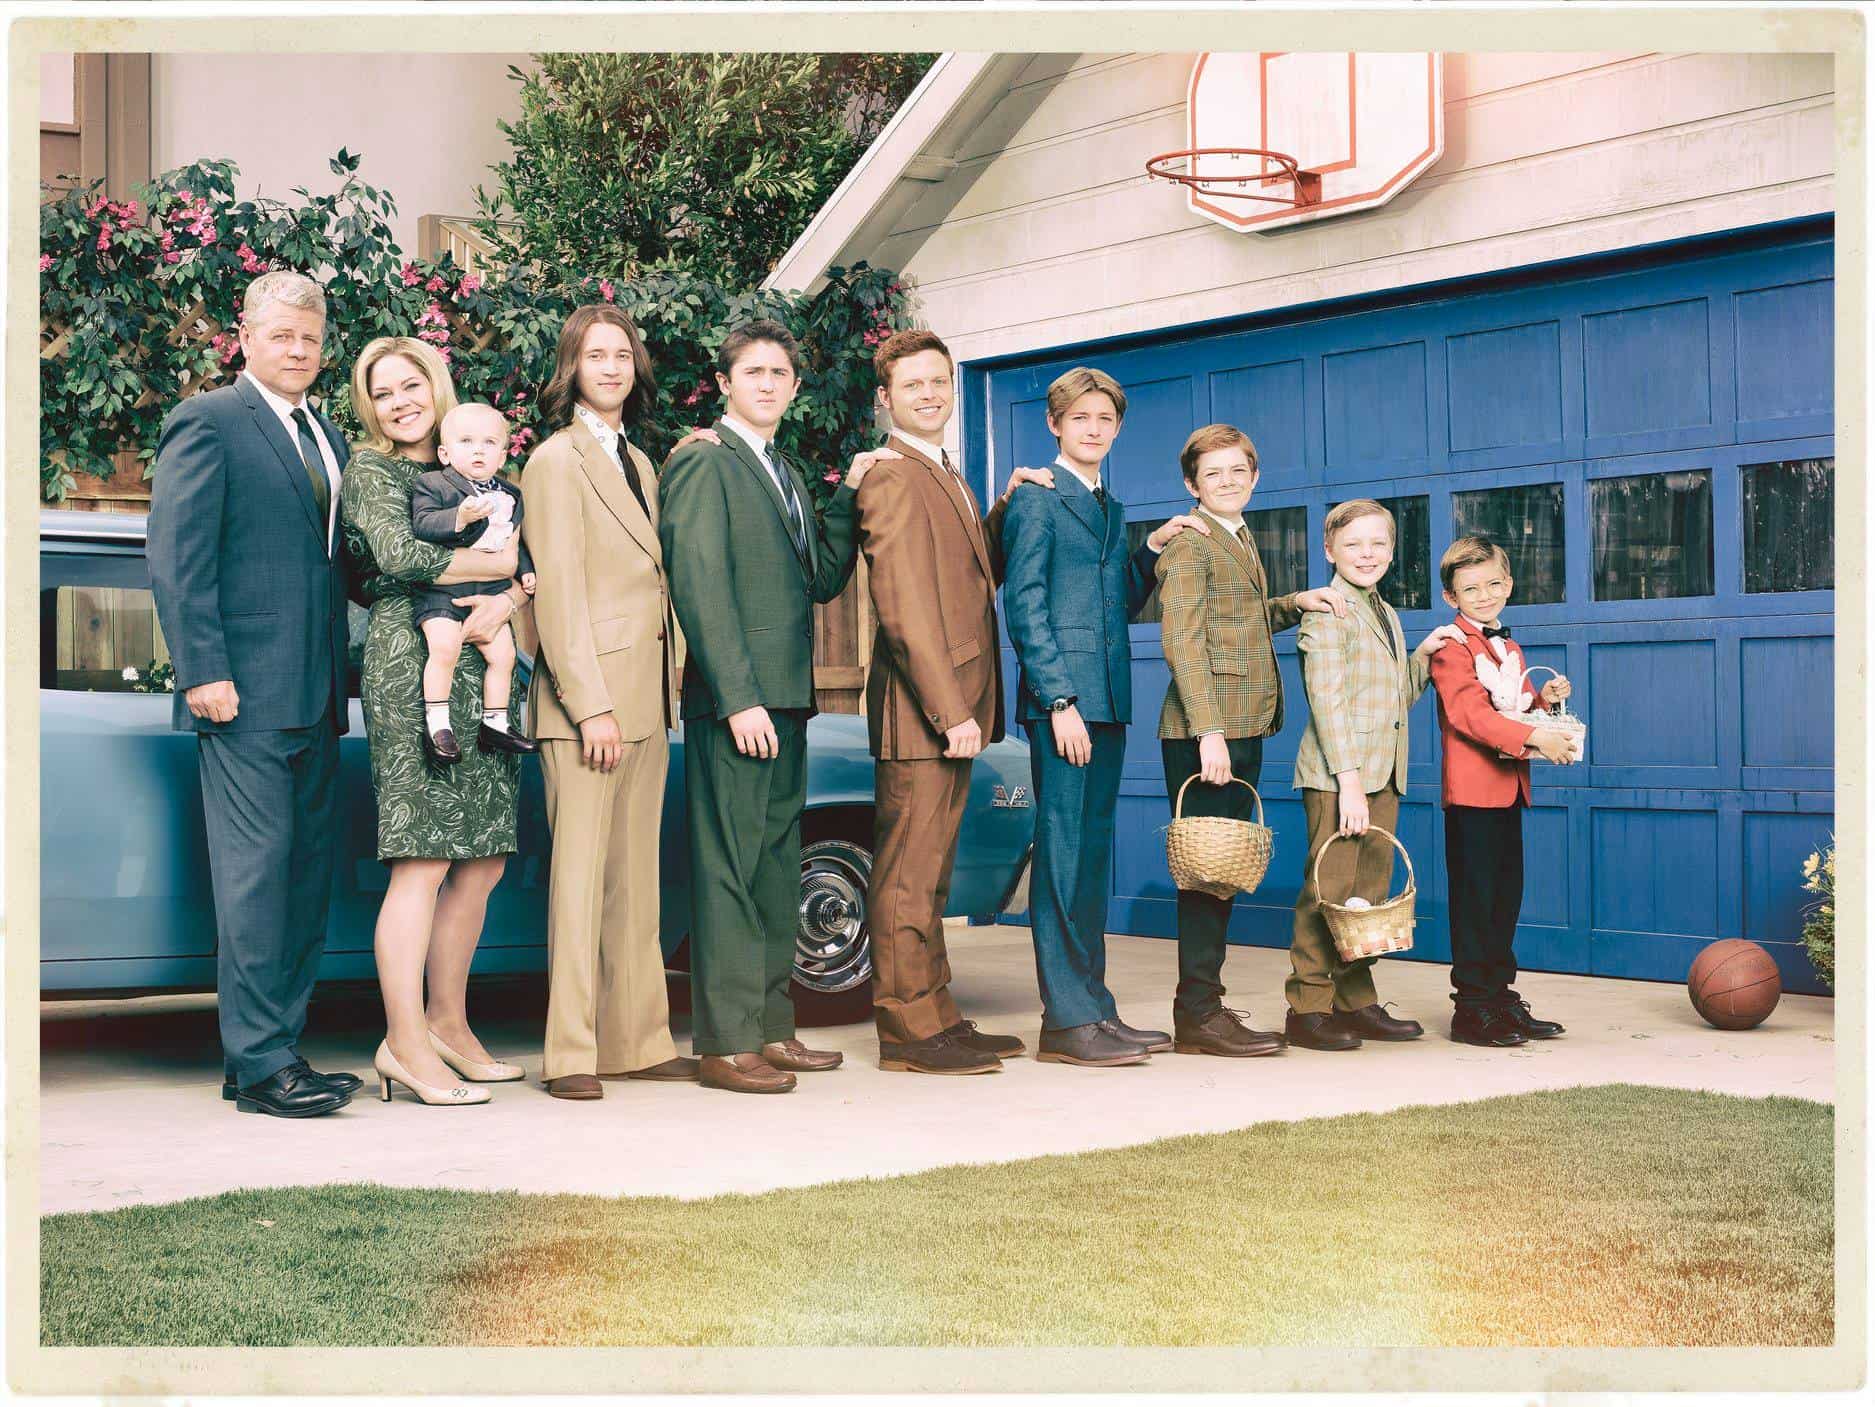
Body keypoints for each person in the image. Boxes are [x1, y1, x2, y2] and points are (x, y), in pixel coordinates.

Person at [147, 269, 361, 1118]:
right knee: (256, 882)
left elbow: (335, 565)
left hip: (316, 696)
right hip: (240, 697)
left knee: (305, 880)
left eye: (309, 338)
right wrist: (203, 669)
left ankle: (269, 1055)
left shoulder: (330, 438)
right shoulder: (208, 421)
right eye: (281, 335)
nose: (297, 350)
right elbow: (177, 556)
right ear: (245, 337)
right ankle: (263, 1063)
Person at [659, 318, 883, 1094]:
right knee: (727, 867)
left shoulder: (782, 469)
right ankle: (724, 1043)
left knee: (775, 869)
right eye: (750, 371)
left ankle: (771, 1028)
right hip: (737, 705)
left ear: (793, 386)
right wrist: (737, 697)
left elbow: (822, 577)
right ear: (724, 383)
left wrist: (850, 492)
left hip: (788, 701)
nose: (765, 383)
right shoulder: (703, 463)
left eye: (778, 373)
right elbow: (699, 584)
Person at [852, 329, 1054, 1075]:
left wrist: (999, 508)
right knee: (907, 876)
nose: (930, 394)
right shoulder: (892, 476)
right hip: (921, 716)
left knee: (931, 873)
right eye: (913, 385)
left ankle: (935, 1013)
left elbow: (971, 571)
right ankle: (906, 1030)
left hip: (946, 709)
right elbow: (903, 607)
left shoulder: (947, 471)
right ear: (886, 399)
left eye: (939, 381)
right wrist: (951, 711)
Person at [340, 336, 532, 1107]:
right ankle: (404, 1039)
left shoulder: (471, 462)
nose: (399, 401)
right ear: (370, 406)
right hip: (409, 658)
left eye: (409, 384)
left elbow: (525, 563)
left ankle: (450, 1023)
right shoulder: (374, 470)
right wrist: (498, 567)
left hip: (485, 648)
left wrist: (510, 594)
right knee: (421, 857)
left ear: (436, 385)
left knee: (482, 857)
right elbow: (394, 559)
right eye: (381, 391)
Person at [999, 367, 1207, 1067]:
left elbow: (1111, 598)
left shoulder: (1108, 505)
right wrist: (1057, 700)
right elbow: (1024, 604)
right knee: (1060, 861)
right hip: (1065, 707)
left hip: (1108, 700)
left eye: (1104, 419)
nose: (1093, 428)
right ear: (1055, 424)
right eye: (1079, 417)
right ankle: (1064, 1021)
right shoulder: (1036, 499)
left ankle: (1093, 1007)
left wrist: (1146, 552)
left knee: (1089, 861)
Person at [521, 304, 693, 1101]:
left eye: (623, 355)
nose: (613, 367)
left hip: (647, 697)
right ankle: (571, 1053)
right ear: (572, 367)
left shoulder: (642, 462)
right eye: (596, 355)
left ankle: (639, 1039)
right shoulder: (555, 461)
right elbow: (555, 592)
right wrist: (589, 706)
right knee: (580, 883)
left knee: (637, 882)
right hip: (588, 704)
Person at [1154, 424, 1347, 1057]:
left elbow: (1238, 621)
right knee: (1207, 876)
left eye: (1238, 471)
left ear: (1255, 476)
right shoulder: (1189, 545)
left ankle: (1203, 1009)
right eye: (1213, 475)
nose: (1228, 482)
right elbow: (1182, 639)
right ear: (1192, 485)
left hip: (1243, 722)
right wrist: (1209, 729)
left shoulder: (1238, 538)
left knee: (1222, 873)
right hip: (1210, 730)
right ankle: (1199, 1016)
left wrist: (1297, 601)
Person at [1286, 499, 1463, 1051]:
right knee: (1329, 891)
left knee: (1367, 897)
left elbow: (1391, 702)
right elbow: (1328, 701)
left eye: (1378, 544)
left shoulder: (1384, 612)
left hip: (1383, 773)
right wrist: (1350, 783)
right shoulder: (1327, 609)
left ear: (1391, 551)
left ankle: (1355, 1000)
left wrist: (1422, 658)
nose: (1367, 554)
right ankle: (1308, 1007)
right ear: (1329, 550)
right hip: (1341, 777)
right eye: (1354, 543)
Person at [1428, 535, 1577, 1047]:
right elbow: (1470, 714)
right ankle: (1470, 1008)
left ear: (1508, 584)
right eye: (1471, 588)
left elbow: (1509, 707)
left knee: (1504, 898)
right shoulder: (1451, 647)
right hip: (1472, 795)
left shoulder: (1508, 645)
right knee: (1475, 901)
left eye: (1494, 583)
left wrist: (1542, 700)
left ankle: (1499, 998)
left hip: (1510, 790)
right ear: (1452, 596)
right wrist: (1537, 735)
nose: (1485, 594)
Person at [409, 402, 539, 765]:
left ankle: (495, 722)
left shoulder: (511, 495)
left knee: (505, 655)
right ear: (445, 453)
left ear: (502, 455)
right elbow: (422, 525)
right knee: (445, 648)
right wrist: (459, 517)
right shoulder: (433, 484)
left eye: (488, 442)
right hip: (443, 595)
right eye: (466, 441)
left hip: (491, 593)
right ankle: (438, 725)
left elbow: (513, 537)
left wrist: (524, 569)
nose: (478, 449)